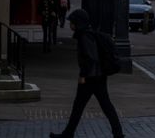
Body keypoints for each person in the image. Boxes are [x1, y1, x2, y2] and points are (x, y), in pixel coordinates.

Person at [49, 9, 124, 138]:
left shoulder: (85, 36)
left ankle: (68, 134)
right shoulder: (86, 35)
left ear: (78, 23)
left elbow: (90, 58)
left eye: (72, 22)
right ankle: (118, 134)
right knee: (102, 106)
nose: (70, 25)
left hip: (91, 78)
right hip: (98, 76)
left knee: (81, 106)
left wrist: (83, 75)